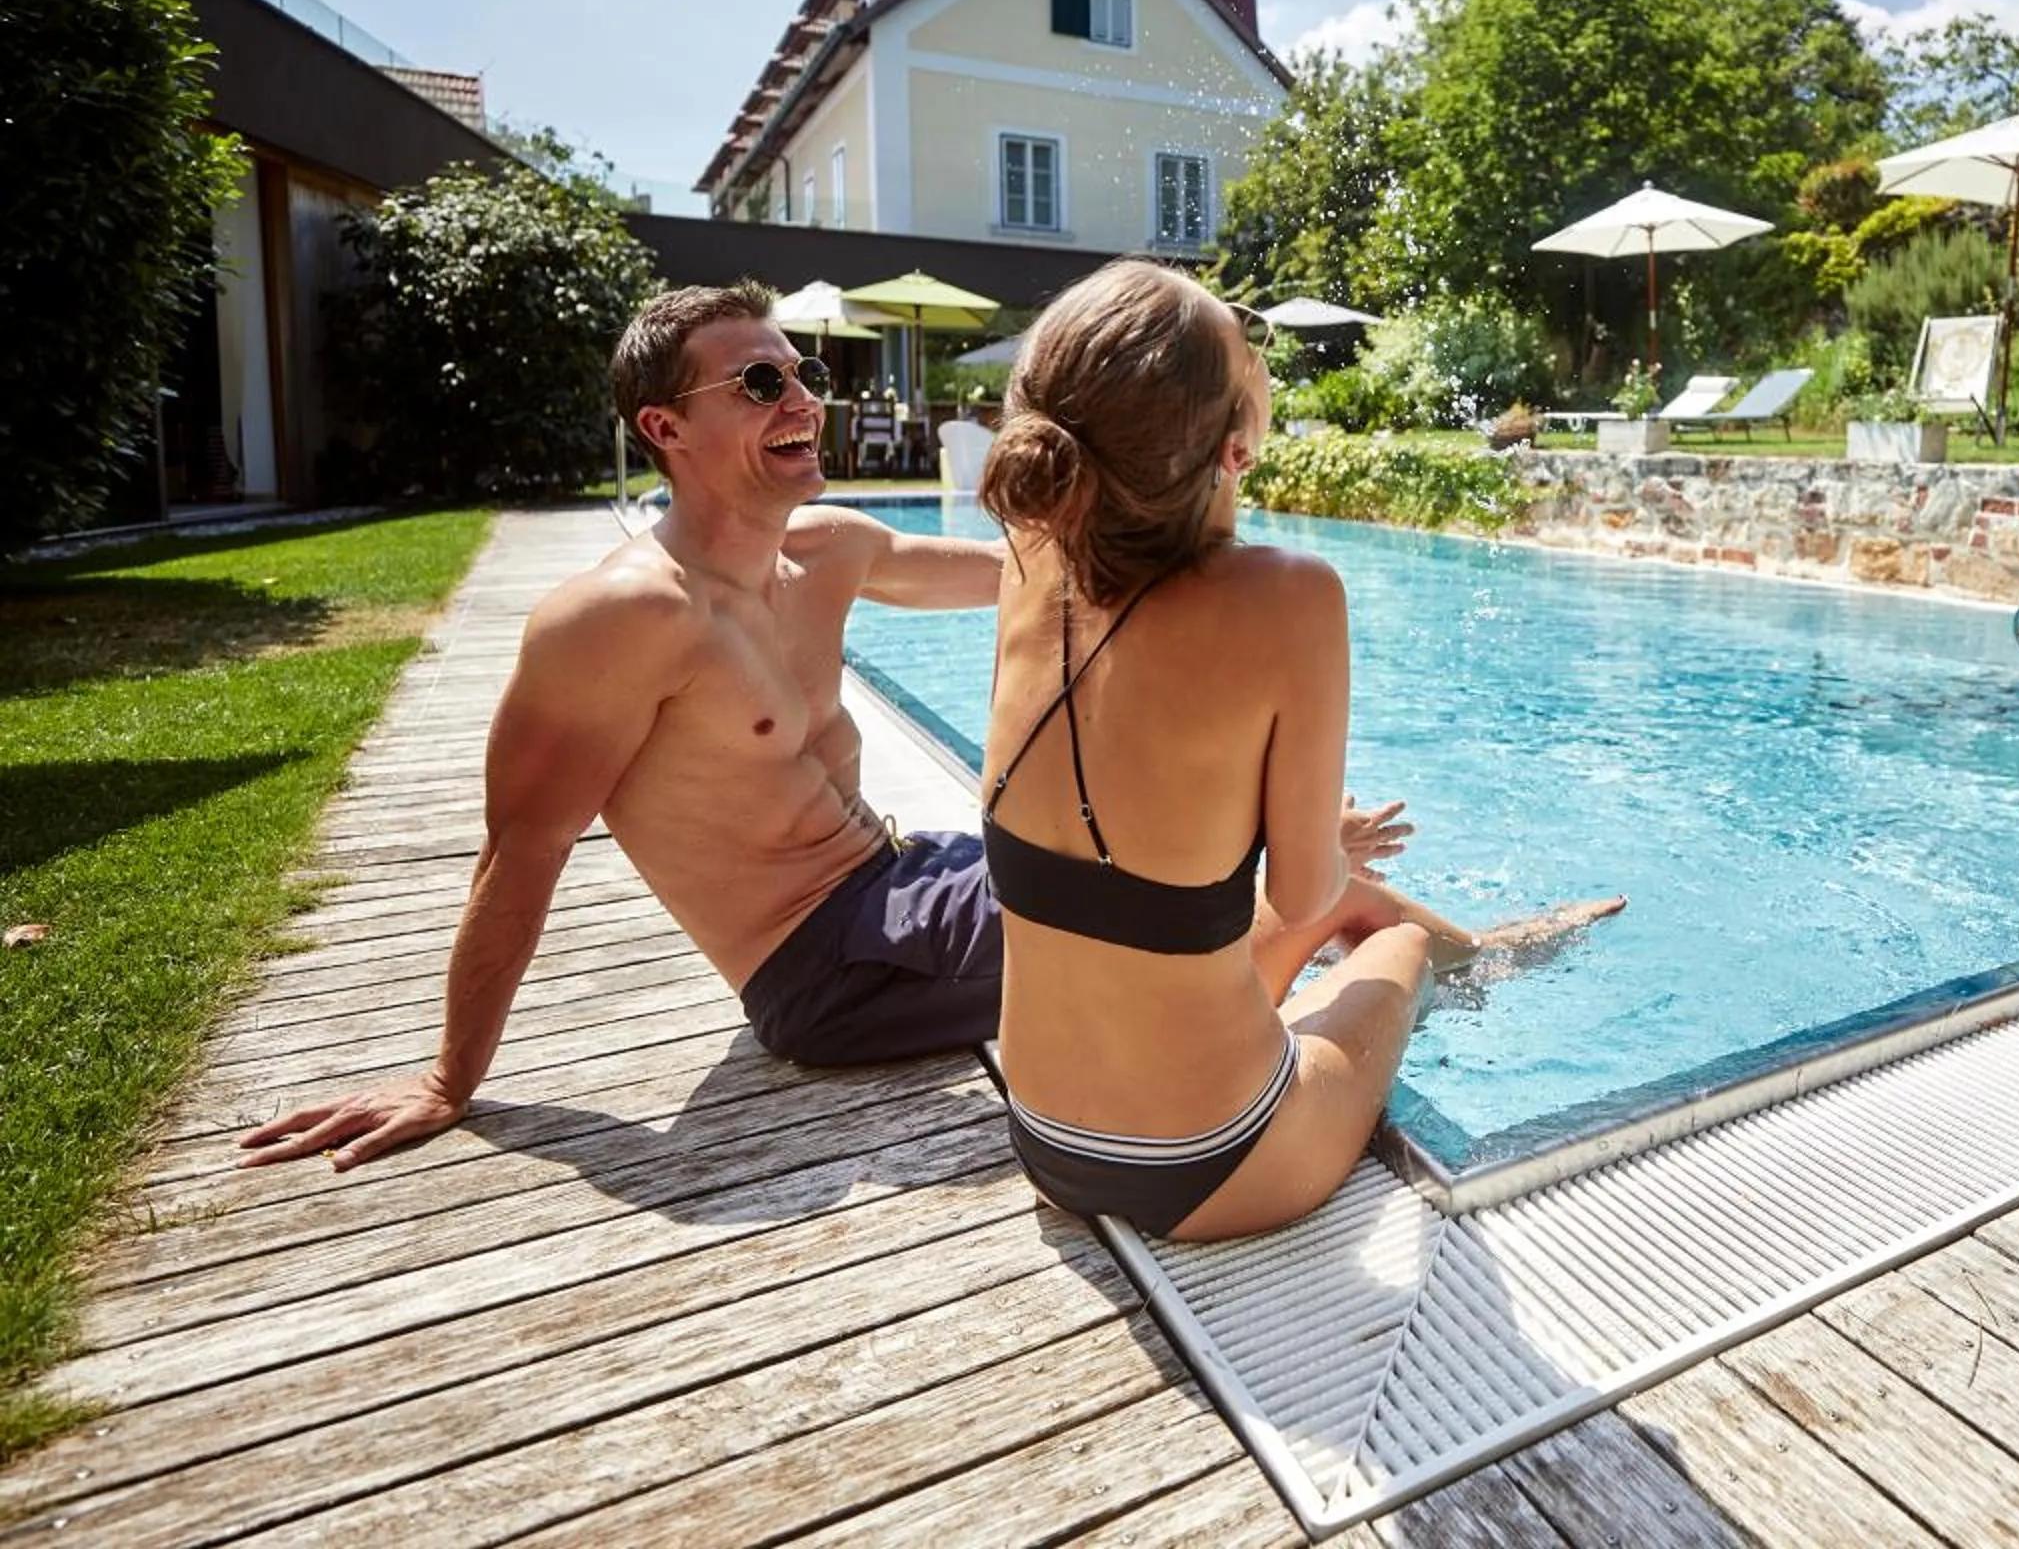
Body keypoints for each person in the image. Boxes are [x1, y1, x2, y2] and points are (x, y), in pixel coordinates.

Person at [236, 283, 1415, 1171]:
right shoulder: (614, 621)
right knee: (1258, 893)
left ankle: (1456, 943)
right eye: (758, 386)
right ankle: (1426, 963)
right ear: (664, 427)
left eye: (801, 376)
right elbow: (523, 846)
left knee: (1286, 880)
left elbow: (1058, 573)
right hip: (821, 966)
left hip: (907, 885)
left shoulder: (833, 548)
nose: (803, 400)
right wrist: (452, 1077)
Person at [974, 261, 1622, 1241]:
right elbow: (1309, 892)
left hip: (1043, 1139)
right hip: (1208, 1162)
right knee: (1392, 938)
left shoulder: (1031, 561)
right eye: (1252, 352)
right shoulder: (1289, 594)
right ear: (1237, 442)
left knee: (1329, 894)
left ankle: (1488, 945)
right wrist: (1322, 839)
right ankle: (1483, 957)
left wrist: (1314, 847)